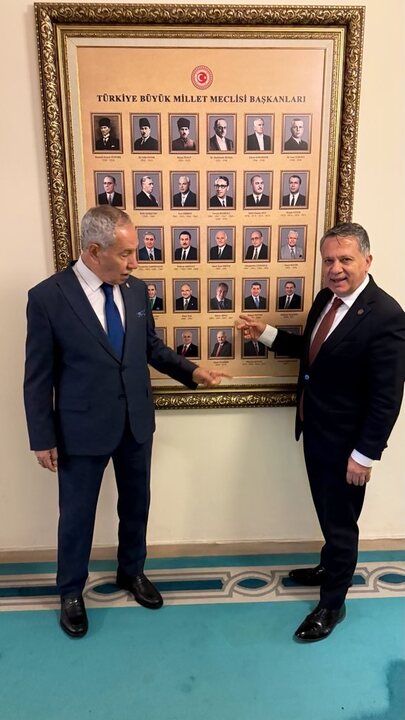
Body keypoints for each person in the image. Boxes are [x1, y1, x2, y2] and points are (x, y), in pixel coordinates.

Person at [23, 205, 225, 638]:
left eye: (135, 252)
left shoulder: (135, 291)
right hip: (80, 429)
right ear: (95, 251)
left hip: (135, 421)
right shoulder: (47, 298)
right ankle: (71, 591)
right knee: (76, 514)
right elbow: (37, 376)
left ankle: (131, 571)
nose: (135, 262)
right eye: (126, 253)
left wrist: (192, 372)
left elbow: (150, 347)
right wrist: (42, 437)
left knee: (136, 504)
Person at [238, 222, 405, 642]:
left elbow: (387, 396)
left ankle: (333, 603)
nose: (335, 268)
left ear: (367, 260)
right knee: (329, 514)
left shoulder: (386, 316)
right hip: (315, 431)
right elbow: (311, 351)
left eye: (345, 259)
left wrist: (364, 455)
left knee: (342, 524)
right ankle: (329, 566)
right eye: (328, 260)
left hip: (349, 446)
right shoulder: (325, 300)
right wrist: (266, 334)